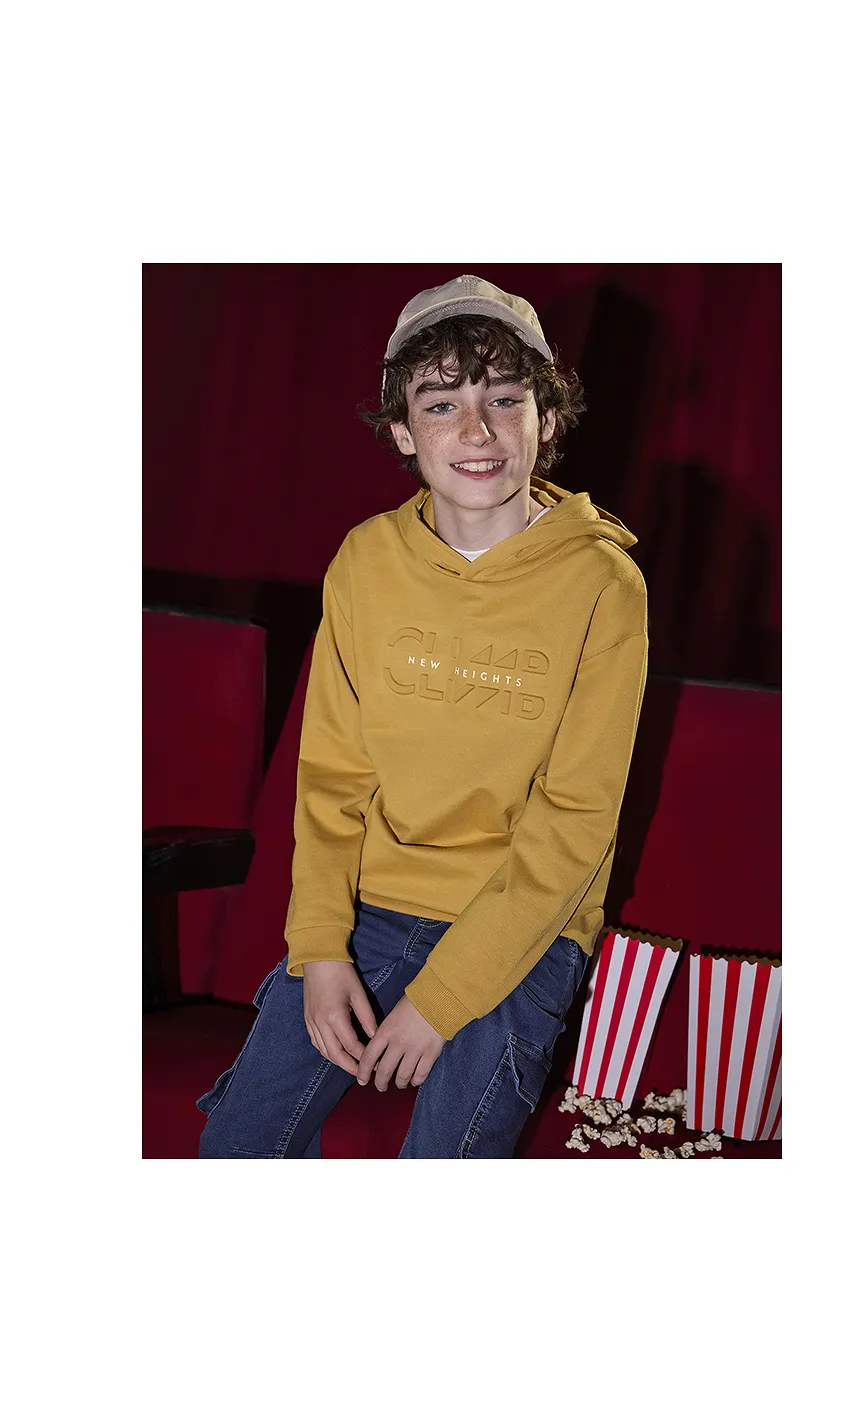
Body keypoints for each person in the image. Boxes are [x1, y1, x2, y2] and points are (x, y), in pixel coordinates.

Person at [197, 273, 648, 1159]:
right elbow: (333, 778)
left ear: (547, 418)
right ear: (403, 431)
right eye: (442, 404)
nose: (477, 431)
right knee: (238, 1148)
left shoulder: (604, 585)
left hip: (524, 926)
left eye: (505, 399)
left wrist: (440, 1003)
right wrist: (321, 950)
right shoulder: (365, 562)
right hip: (373, 907)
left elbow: (575, 821)